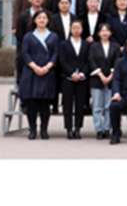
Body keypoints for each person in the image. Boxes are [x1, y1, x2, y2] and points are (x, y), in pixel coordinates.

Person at [19, 10, 59, 140]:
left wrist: (47, 66)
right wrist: (35, 67)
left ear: (48, 21)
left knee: (45, 103)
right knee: (31, 103)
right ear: (34, 20)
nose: (42, 20)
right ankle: (32, 129)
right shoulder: (28, 36)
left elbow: (55, 54)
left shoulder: (53, 36)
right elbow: (25, 53)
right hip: (31, 72)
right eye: (39, 18)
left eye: (44, 18)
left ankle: (44, 129)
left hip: (48, 71)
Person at [59, 20, 90, 139]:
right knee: (67, 105)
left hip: (82, 78)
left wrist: (82, 73)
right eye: (74, 28)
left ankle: (77, 128)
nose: (76, 30)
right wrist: (72, 73)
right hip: (67, 78)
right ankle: (68, 128)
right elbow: (62, 61)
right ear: (70, 29)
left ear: (82, 29)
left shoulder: (87, 44)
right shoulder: (64, 44)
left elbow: (89, 61)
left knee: (80, 105)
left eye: (78, 28)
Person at [87, 23, 120, 139]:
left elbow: (117, 62)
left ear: (110, 33)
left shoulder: (115, 46)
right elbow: (91, 61)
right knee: (97, 107)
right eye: (102, 31)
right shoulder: (93, 47)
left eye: (107, 31)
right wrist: (101, 75)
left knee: (108, 106)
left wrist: (111, 76)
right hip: (96, 79)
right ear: (98, 33)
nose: (105, 33)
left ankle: (107, 128)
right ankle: (98, 129)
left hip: (111, 79)